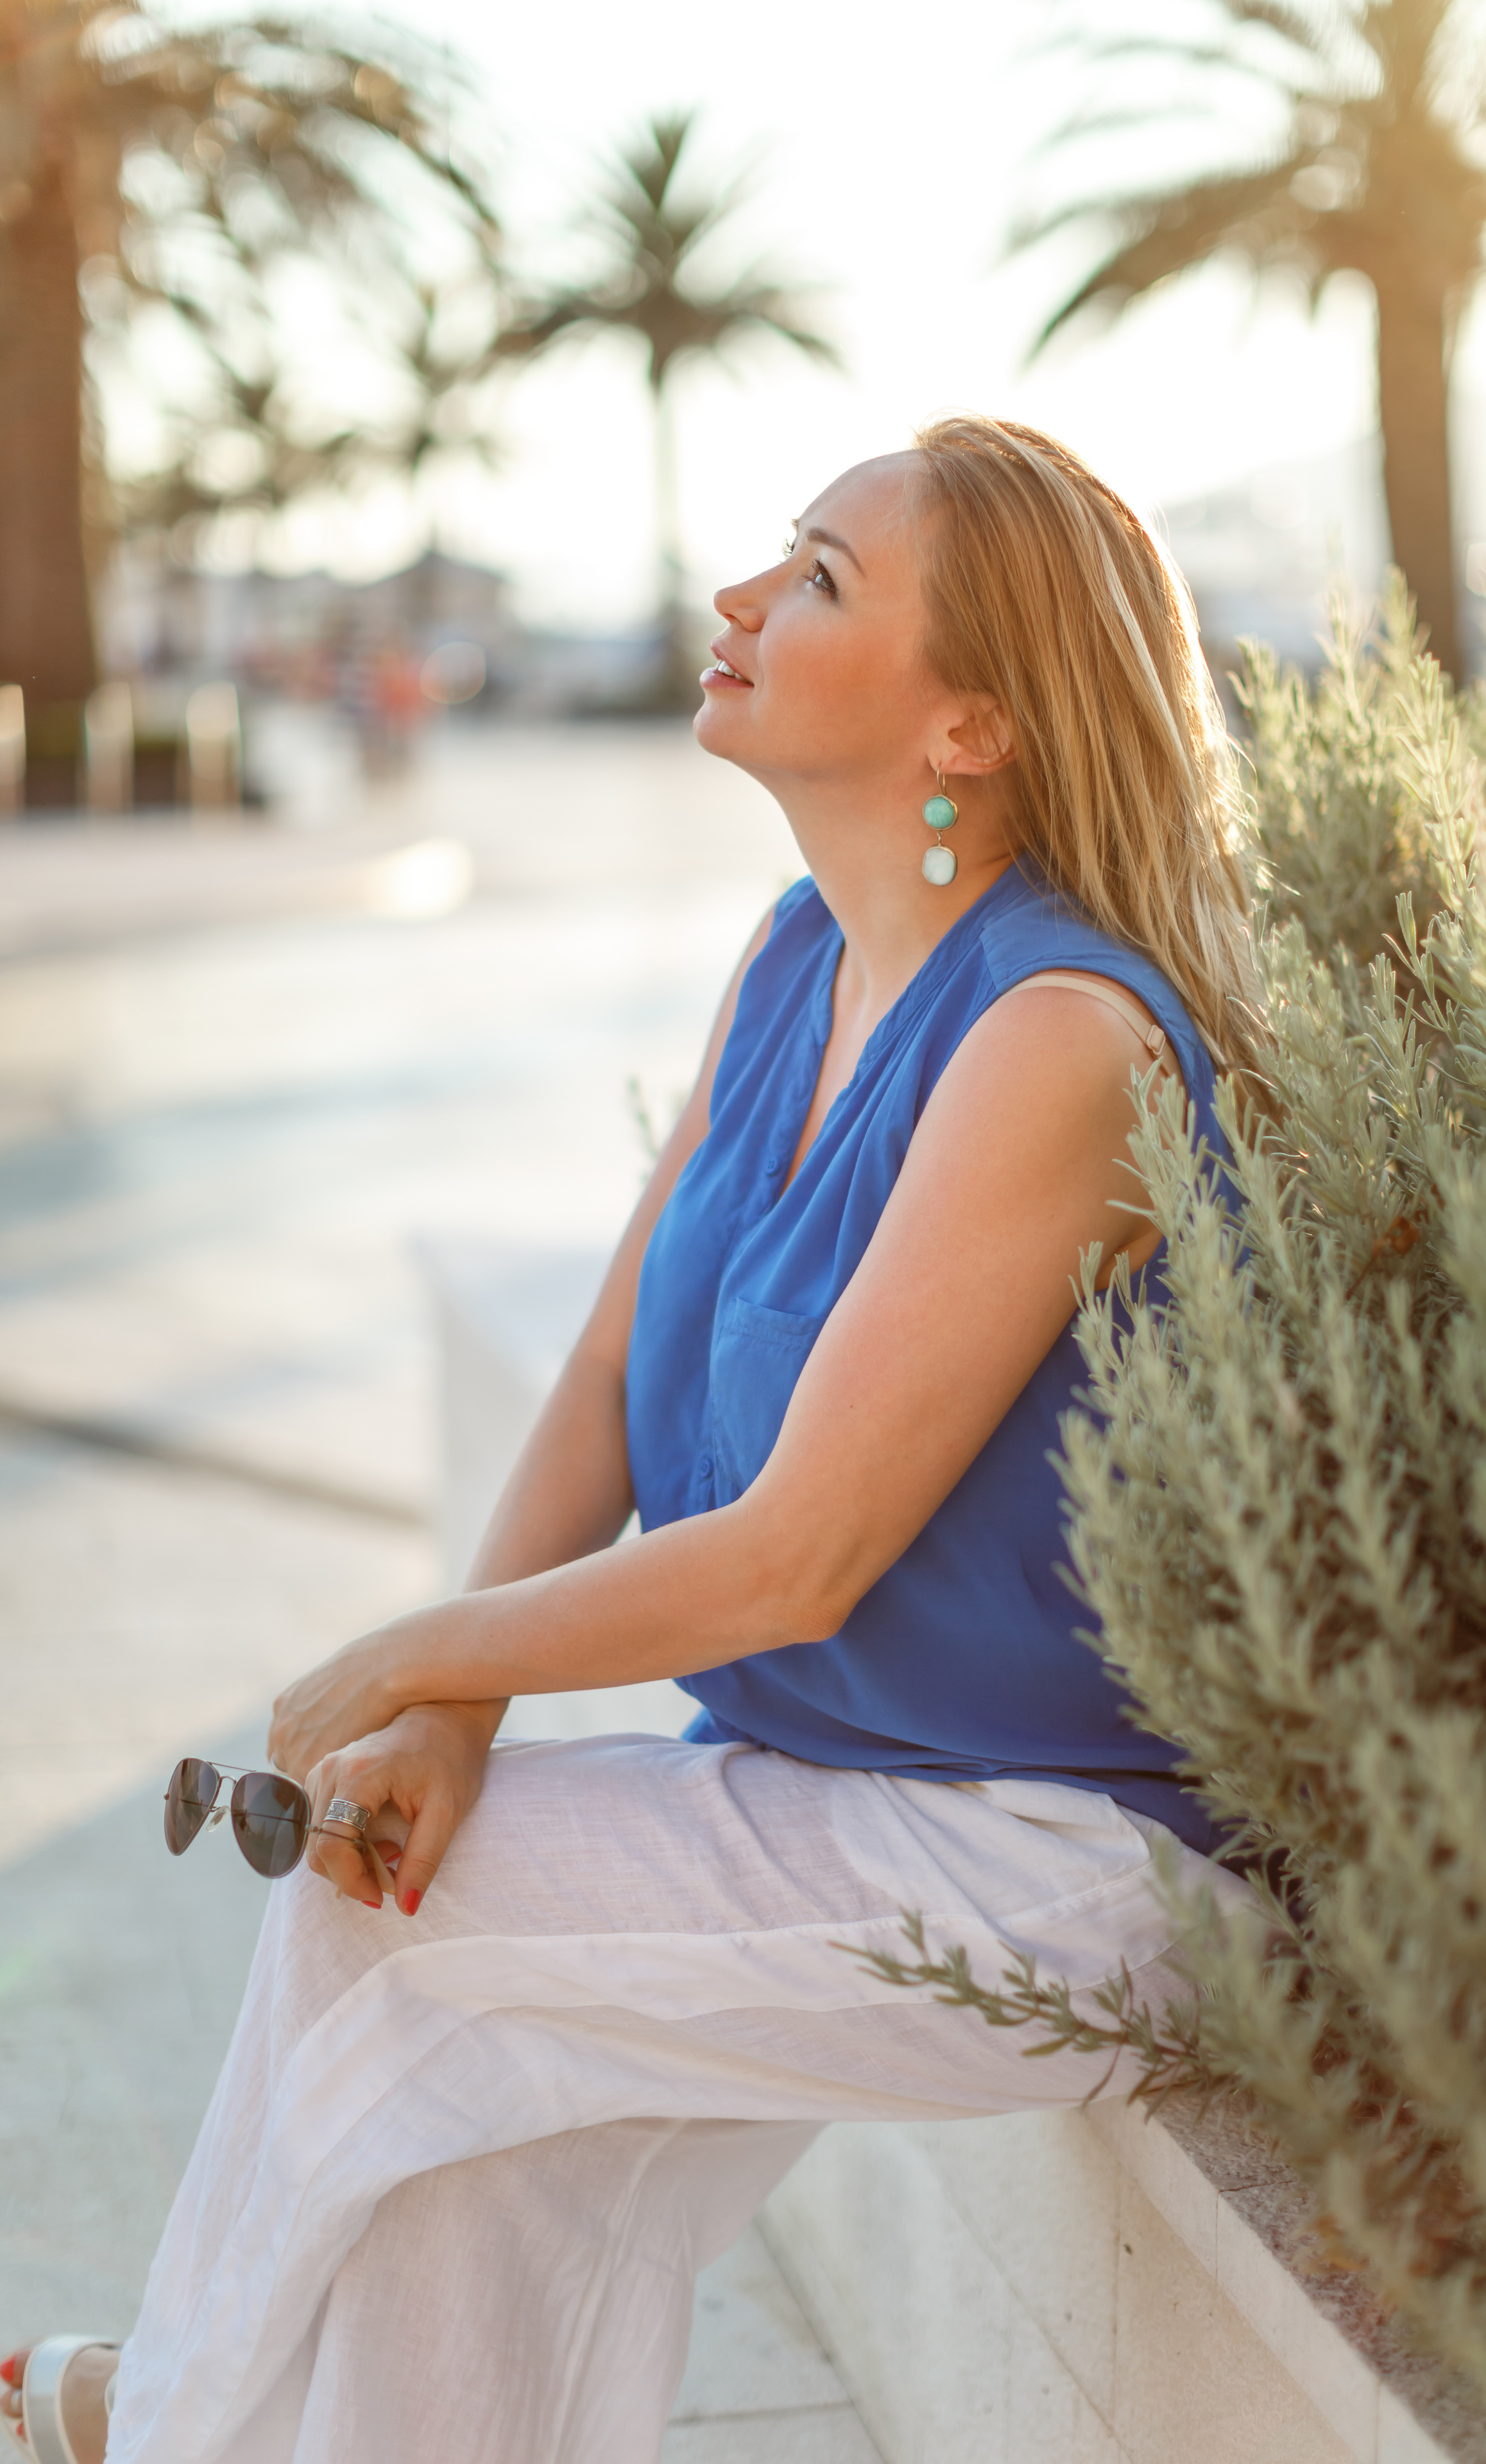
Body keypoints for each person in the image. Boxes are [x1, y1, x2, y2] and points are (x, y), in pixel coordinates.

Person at [4, 415, 1266, 2464]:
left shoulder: (1057, 1038)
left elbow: (798, 1556)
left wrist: (412, 1657)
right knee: (474, 2151)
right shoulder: (794, 968)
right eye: (778, 553)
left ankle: (161, 2423)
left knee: (378, 1943)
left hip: (1057, 1860)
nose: (739, 599)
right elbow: (601, 1385)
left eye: (825, 579)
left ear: (972, 728)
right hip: (827, 1783)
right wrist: (463, 1720)